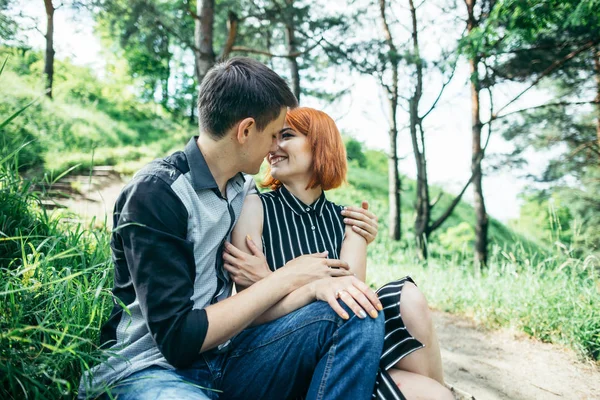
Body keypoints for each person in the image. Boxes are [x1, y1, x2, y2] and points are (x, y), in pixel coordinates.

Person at [78, 58, 386, 400]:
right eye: (273, 135)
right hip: (150, 369)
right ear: (245, 131)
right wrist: (288, 277)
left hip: (226, 361)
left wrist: (356, 233)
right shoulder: (157, 194)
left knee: (356, 310)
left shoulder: (242, 189)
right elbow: (177, 340)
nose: (274, 149)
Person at [225, 107, 454, 400]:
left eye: (287, 136)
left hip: (337, 358)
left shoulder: (349, 223)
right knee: (352, 310)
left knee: (432, 384)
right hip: (268, 358)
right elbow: (249, 314)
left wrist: (272, 280)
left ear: (320, 144)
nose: (273, 147)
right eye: (273, 138)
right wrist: (313, 289)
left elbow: (353, 312)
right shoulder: (255, 207)